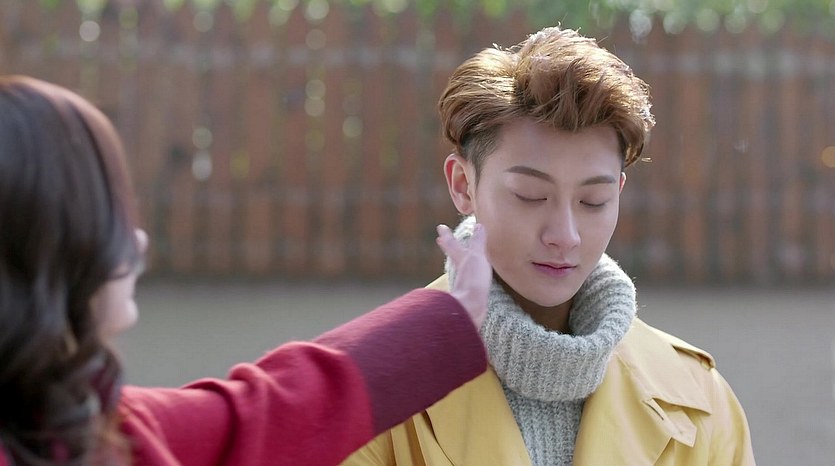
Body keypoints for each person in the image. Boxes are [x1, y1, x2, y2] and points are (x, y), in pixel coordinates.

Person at [0, 75, 494, 466]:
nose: (137, 241)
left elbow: (268, 411)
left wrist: (447, 319)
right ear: (44, 245)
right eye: (109, 215)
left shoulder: (88, 427)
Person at [342, 26, 756, 465]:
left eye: (593, 201)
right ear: (463, 185)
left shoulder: (699, 399)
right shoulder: (368, 387)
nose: (565, 234)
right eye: (530, 195)